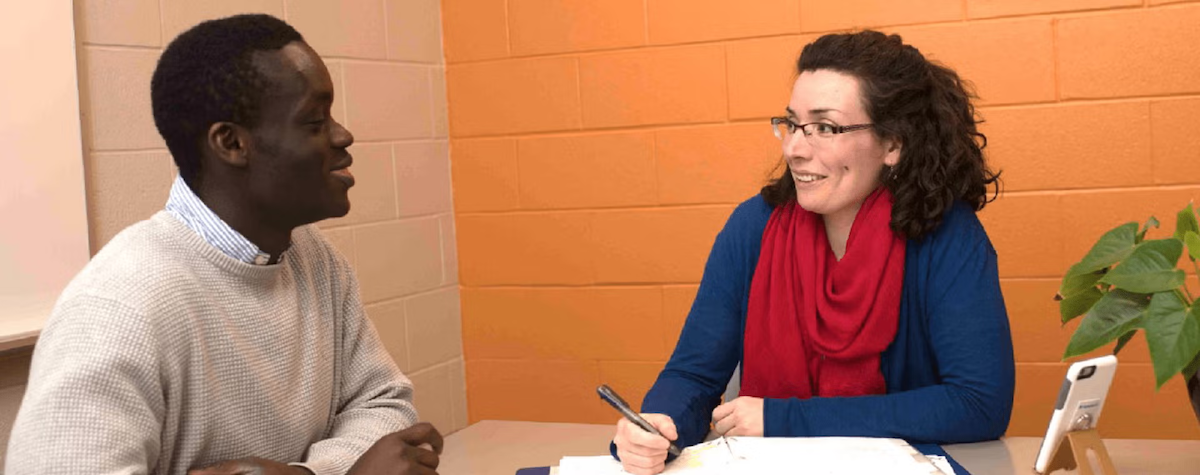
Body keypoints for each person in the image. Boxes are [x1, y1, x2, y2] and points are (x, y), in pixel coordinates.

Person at [6, 14, 443, 475]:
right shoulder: (118, 305)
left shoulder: (315, 261)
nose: (342, 135)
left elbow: (383, 403)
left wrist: (308, 474)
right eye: (315, 120)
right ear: (231, 143)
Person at [611, 30, 1014, 475]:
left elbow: (979, 403)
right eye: (792, 124)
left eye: (825, 127)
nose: (794, 149)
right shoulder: (753, 227)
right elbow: (694, 375)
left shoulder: (948, 234)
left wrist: (785, 419)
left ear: (893, 144)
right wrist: (657, 424)